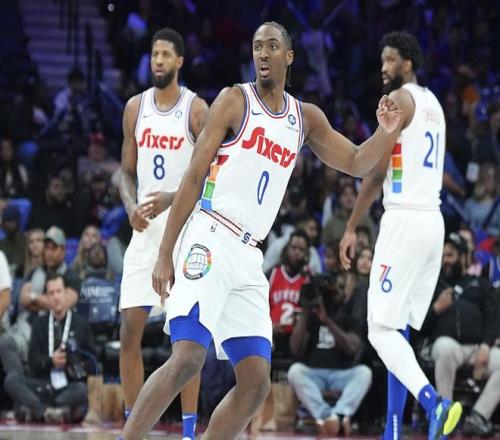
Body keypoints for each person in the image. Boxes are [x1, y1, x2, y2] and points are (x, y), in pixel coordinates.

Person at [121, 21, 401, 440]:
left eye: (272, 46)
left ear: (289, 56)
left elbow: (358, 161)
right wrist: (165, 252)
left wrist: (384, 131)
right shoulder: (234, 100)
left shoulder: (304, 118)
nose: (263, 54)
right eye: (257, 47)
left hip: (250, 253)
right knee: (188, 358)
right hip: (210, 238)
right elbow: (194, 176)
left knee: (255, 384)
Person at [339, 31, 462, 440]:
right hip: (433, 222)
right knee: (399, 330)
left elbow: (376, 173)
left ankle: (434, 403)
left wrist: (352, 226)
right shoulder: (433, 104)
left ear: (407, 63)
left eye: (390, 60)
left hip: (404, 220)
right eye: (382, 60)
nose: (383, 68)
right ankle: (392, 430)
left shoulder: (398, 101)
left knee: (379, 329)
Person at [118, 27, 209, 440]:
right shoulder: (135, 108)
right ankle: (132, 425)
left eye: (165, 54)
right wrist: (129, 207)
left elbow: (210, 173)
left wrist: (173, 198)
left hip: (184, 231)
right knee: (129, 330)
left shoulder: (196, 109)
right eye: (154, 54)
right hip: (144, 232)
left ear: (179, 62)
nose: (158, 60)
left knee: (185, 342)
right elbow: (125, 172)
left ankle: (188, 431)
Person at [421, 233, 499, 438]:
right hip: (448, 347)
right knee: (445, 347)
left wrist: (486, 346)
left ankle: (478, 416)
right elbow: (420, 327)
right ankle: (444, 413)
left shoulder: (480, 284)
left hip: (477, 349)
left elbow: (494, 319)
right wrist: (436, 309)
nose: (445, 260)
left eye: (450, 255)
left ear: (463, 257)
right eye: (443, 256)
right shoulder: (435, 286)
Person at [288, 273, 372, 436]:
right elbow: (296, 349)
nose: (337, 294)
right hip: (314, 375)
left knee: (364, 373)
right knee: (295, 371)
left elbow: (351, 347)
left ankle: (335, 415)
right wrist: (304, 312)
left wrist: (326, 320)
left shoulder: (348, 316)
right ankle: (330, 417)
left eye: (341, 289)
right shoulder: (310, 316)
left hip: (341, 375)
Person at [3, 274, 95, 423]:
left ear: (65, 293)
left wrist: (73, 364)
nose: (56, 297)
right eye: (51, 293)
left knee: (81, 390)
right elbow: (33, 362)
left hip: (67, 386)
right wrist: (51, 361)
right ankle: (48, 411)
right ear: (46, 297)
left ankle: (36, 410)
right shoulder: (39, 323)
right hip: (41, 384)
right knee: (11, 380)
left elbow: (93, 363)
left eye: (58, 291)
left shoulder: (81, 324)